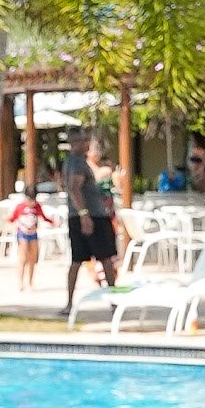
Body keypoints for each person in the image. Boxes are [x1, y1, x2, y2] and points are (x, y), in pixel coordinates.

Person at [64, 134, 121, 318]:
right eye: (82, 141)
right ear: (74, 143)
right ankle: (112, 300)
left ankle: (112, 300)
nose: (86, 144)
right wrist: (84, 214)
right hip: (90, 217)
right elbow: (74, 188)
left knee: (97, 259)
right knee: (100, 259)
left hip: (90, 215)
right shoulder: (77, 163)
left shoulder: (79, 162)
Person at [6, 177, 55, 291]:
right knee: (23, 258)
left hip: (33, 233)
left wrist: (52, 222)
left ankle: (30, 282)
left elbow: (43, 216)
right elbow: (13, 218)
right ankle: (20, 282)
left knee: (33, 258)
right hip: (22, 233)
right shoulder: (21, 207)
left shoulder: (37, 207)